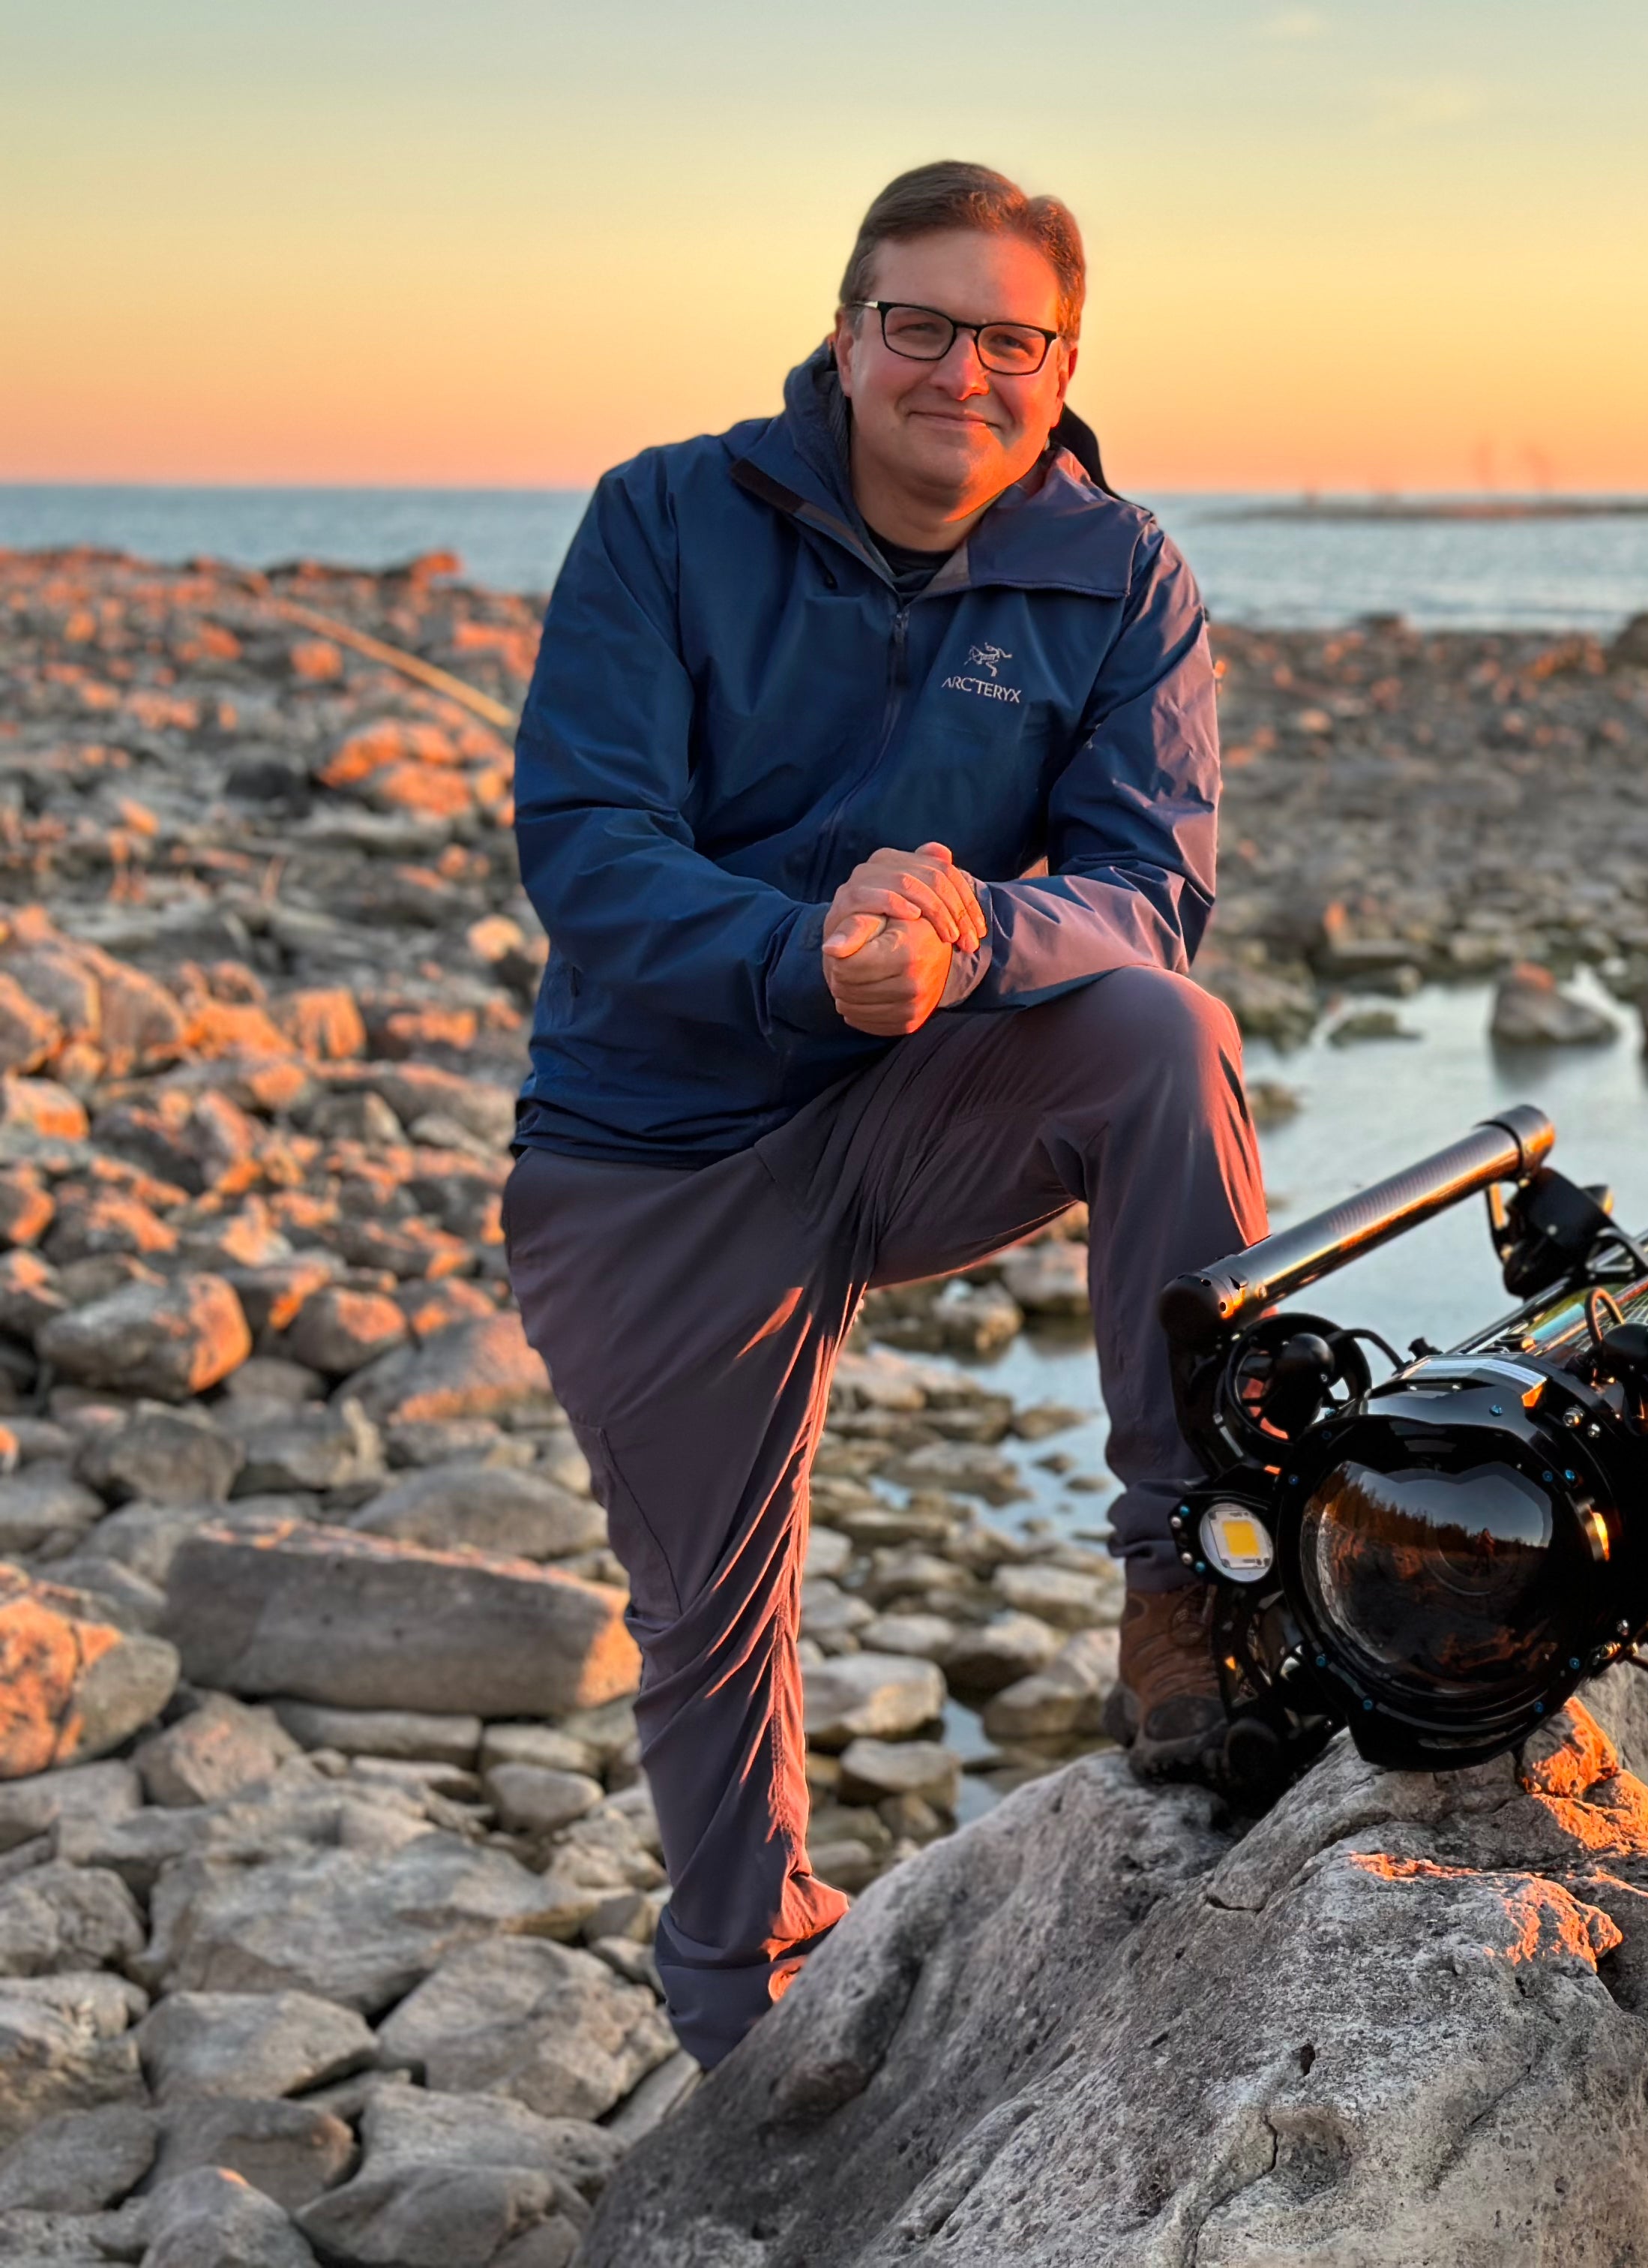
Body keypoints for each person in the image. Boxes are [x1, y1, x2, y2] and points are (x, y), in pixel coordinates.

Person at [503, 160, 1268, 2068]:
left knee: (1163, 1035)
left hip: (932, 1085)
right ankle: (742, 2025)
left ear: (1063, 359)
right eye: (918, 326)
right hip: (659, 1145)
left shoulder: (1121, 572)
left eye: (1011, 338)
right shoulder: (667, 517)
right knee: (706, 1622)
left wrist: (966, 931)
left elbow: (1147, 887)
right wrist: (799, 957)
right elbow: (587, 848)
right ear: (847, 337)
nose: (963, 372)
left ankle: (1188, 1580)